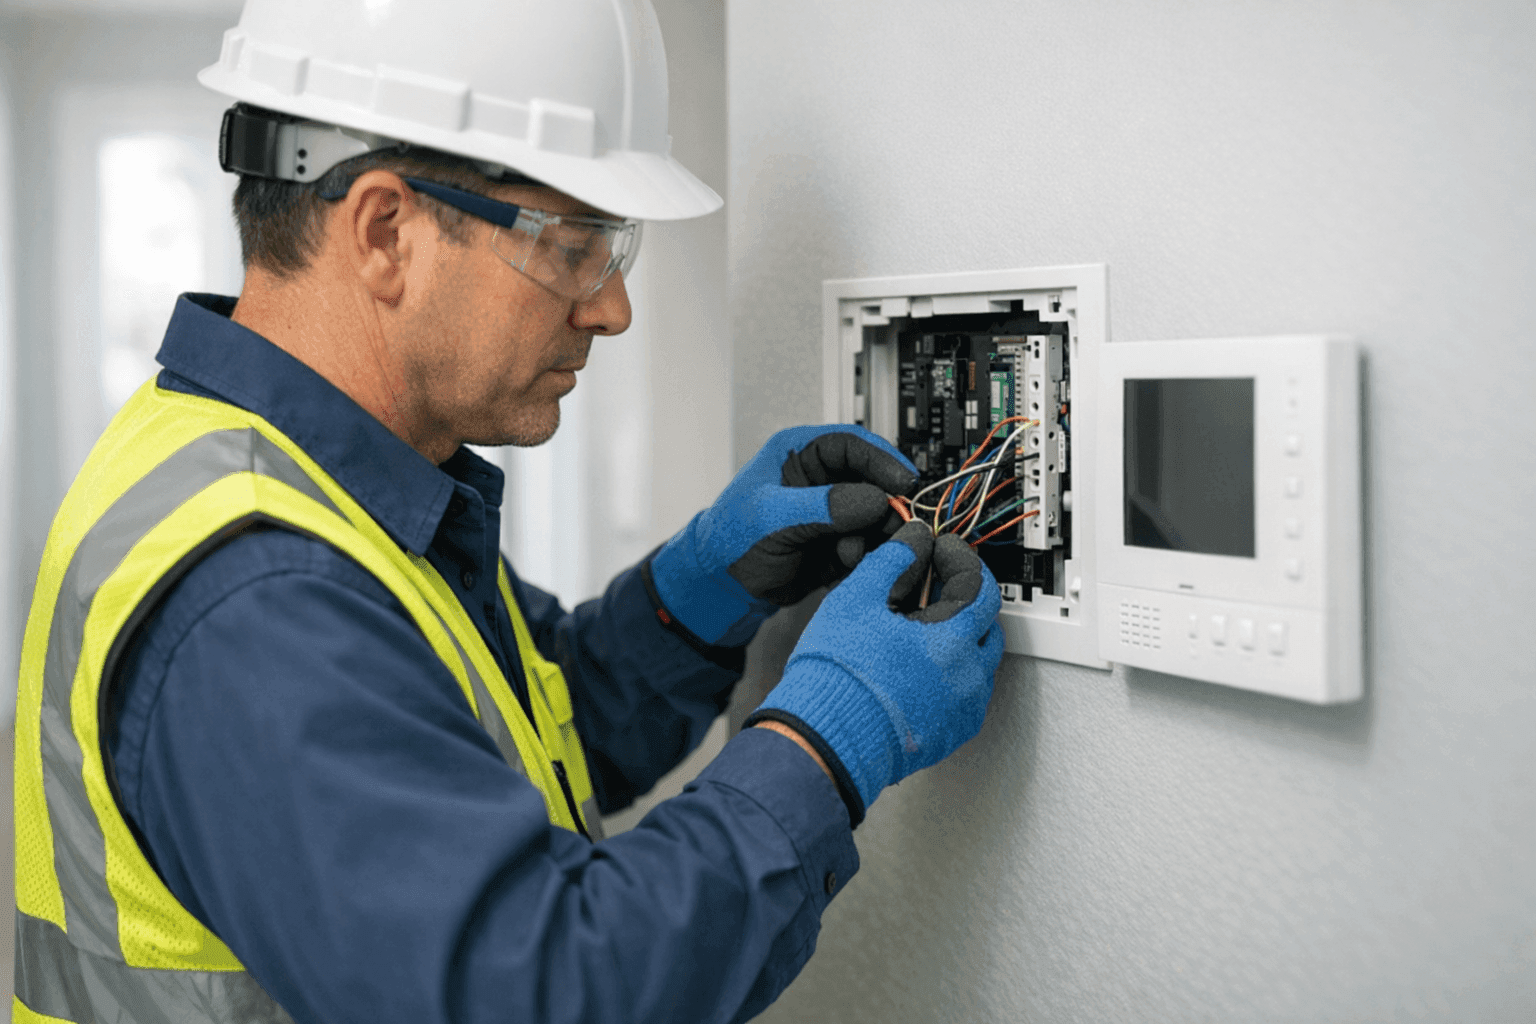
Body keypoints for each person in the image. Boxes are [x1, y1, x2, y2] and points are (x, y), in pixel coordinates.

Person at [11, 1, 1004, 1021]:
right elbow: (540, 990)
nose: (612, 308)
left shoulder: (321, 491)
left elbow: (508, 746)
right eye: (574, 242)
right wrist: (831, 739)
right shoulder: (258, 596)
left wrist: (696, 592)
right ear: (386, 231)